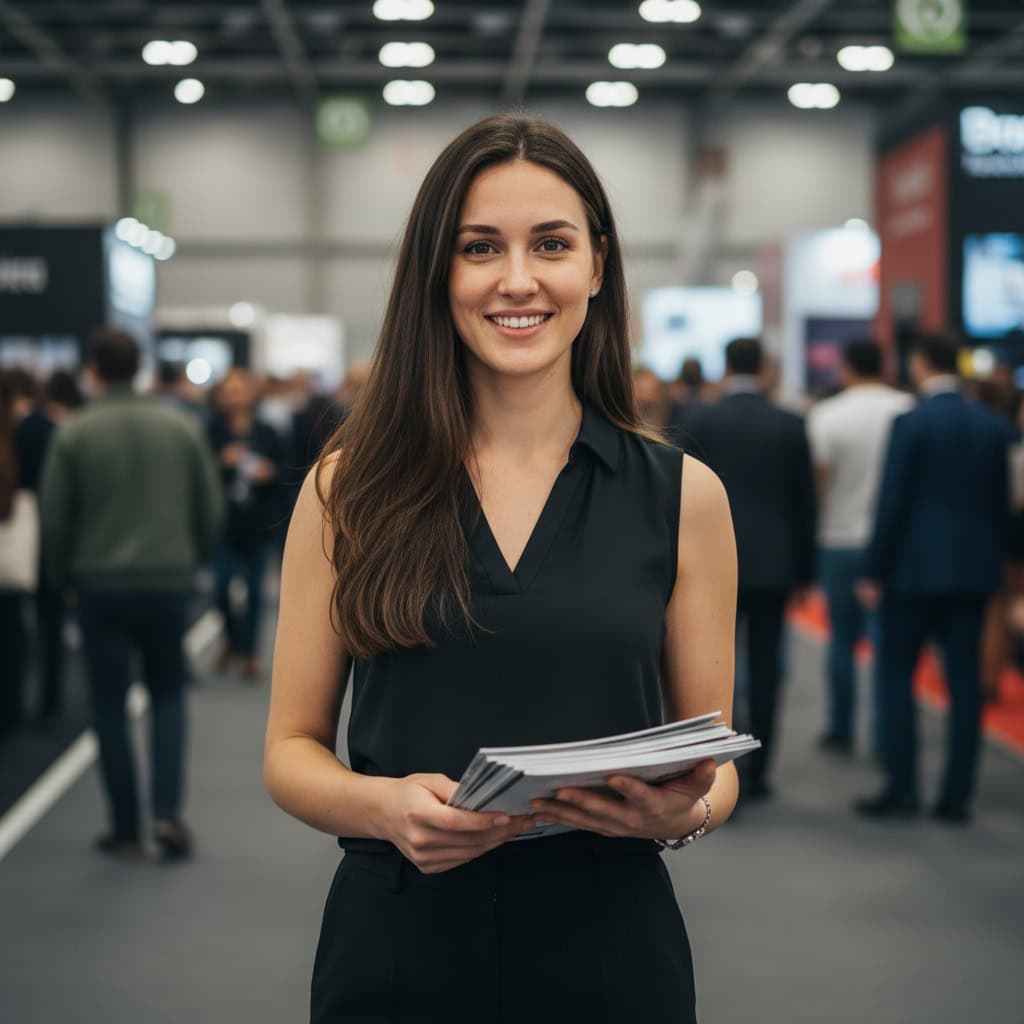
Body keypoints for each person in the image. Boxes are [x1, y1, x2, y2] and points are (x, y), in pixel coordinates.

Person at [264, 113, 738, 1023]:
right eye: (480, 247)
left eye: (550, 245)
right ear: (438, 273)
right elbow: (290, 751)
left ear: (596, 267)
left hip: (610, 946)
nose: (517, 281)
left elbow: (715, 756)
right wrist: (383, 807)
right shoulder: (346, 488)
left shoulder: (685, 496)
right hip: (398, 947)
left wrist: (683, 814)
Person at [39, 328, 224, 859]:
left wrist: (62, 580)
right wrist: (194, 561)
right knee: (168, 695)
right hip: (169, 583)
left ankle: (124, 824)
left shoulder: (75, 432)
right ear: (140, 366)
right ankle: (166, 814)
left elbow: (55, 519)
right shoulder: (179, 428)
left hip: (99, 586)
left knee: (109, 705)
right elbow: (209, 506)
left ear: (93, 370)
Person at [855, 331, 1013, 826]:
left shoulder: (911, 422)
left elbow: (893, 502)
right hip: (973, 571)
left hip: (912, 572)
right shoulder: (994, 425)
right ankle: (956, 796)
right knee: (965, 682)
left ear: (921, 364)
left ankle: (903, 788)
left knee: (897, 676)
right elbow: (1002, 503)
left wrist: (874, 568)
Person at [685, 337, 817, 801]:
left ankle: (719, 775)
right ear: (763, 367)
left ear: (726, 365)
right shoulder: (790, 424)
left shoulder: (700, 419)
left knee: (713, 670)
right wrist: (805, 570)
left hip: (705, 566)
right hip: (774, 564)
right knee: (765, 670)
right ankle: (759, 775)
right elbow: (805, 503)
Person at [807, 338, 913, 756]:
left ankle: (841, 727)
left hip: (839, 537)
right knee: (890, 642)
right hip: (894, 544)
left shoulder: (827, 415)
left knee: (841, 639)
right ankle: (888, 735)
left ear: (846, 367)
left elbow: (821, 483)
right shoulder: (905, 407)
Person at [208, 367, 282, 680]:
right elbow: (199, 473)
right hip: (222, 523)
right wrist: (220, 462)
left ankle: (250, 653)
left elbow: (286, 471)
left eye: (240, 389)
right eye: (229, 390)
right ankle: (232, 640)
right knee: (221, 587)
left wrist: (269, 472)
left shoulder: (267, 431)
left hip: (258, 522)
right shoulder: (211, 431)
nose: (235, 396)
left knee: (254, 590)